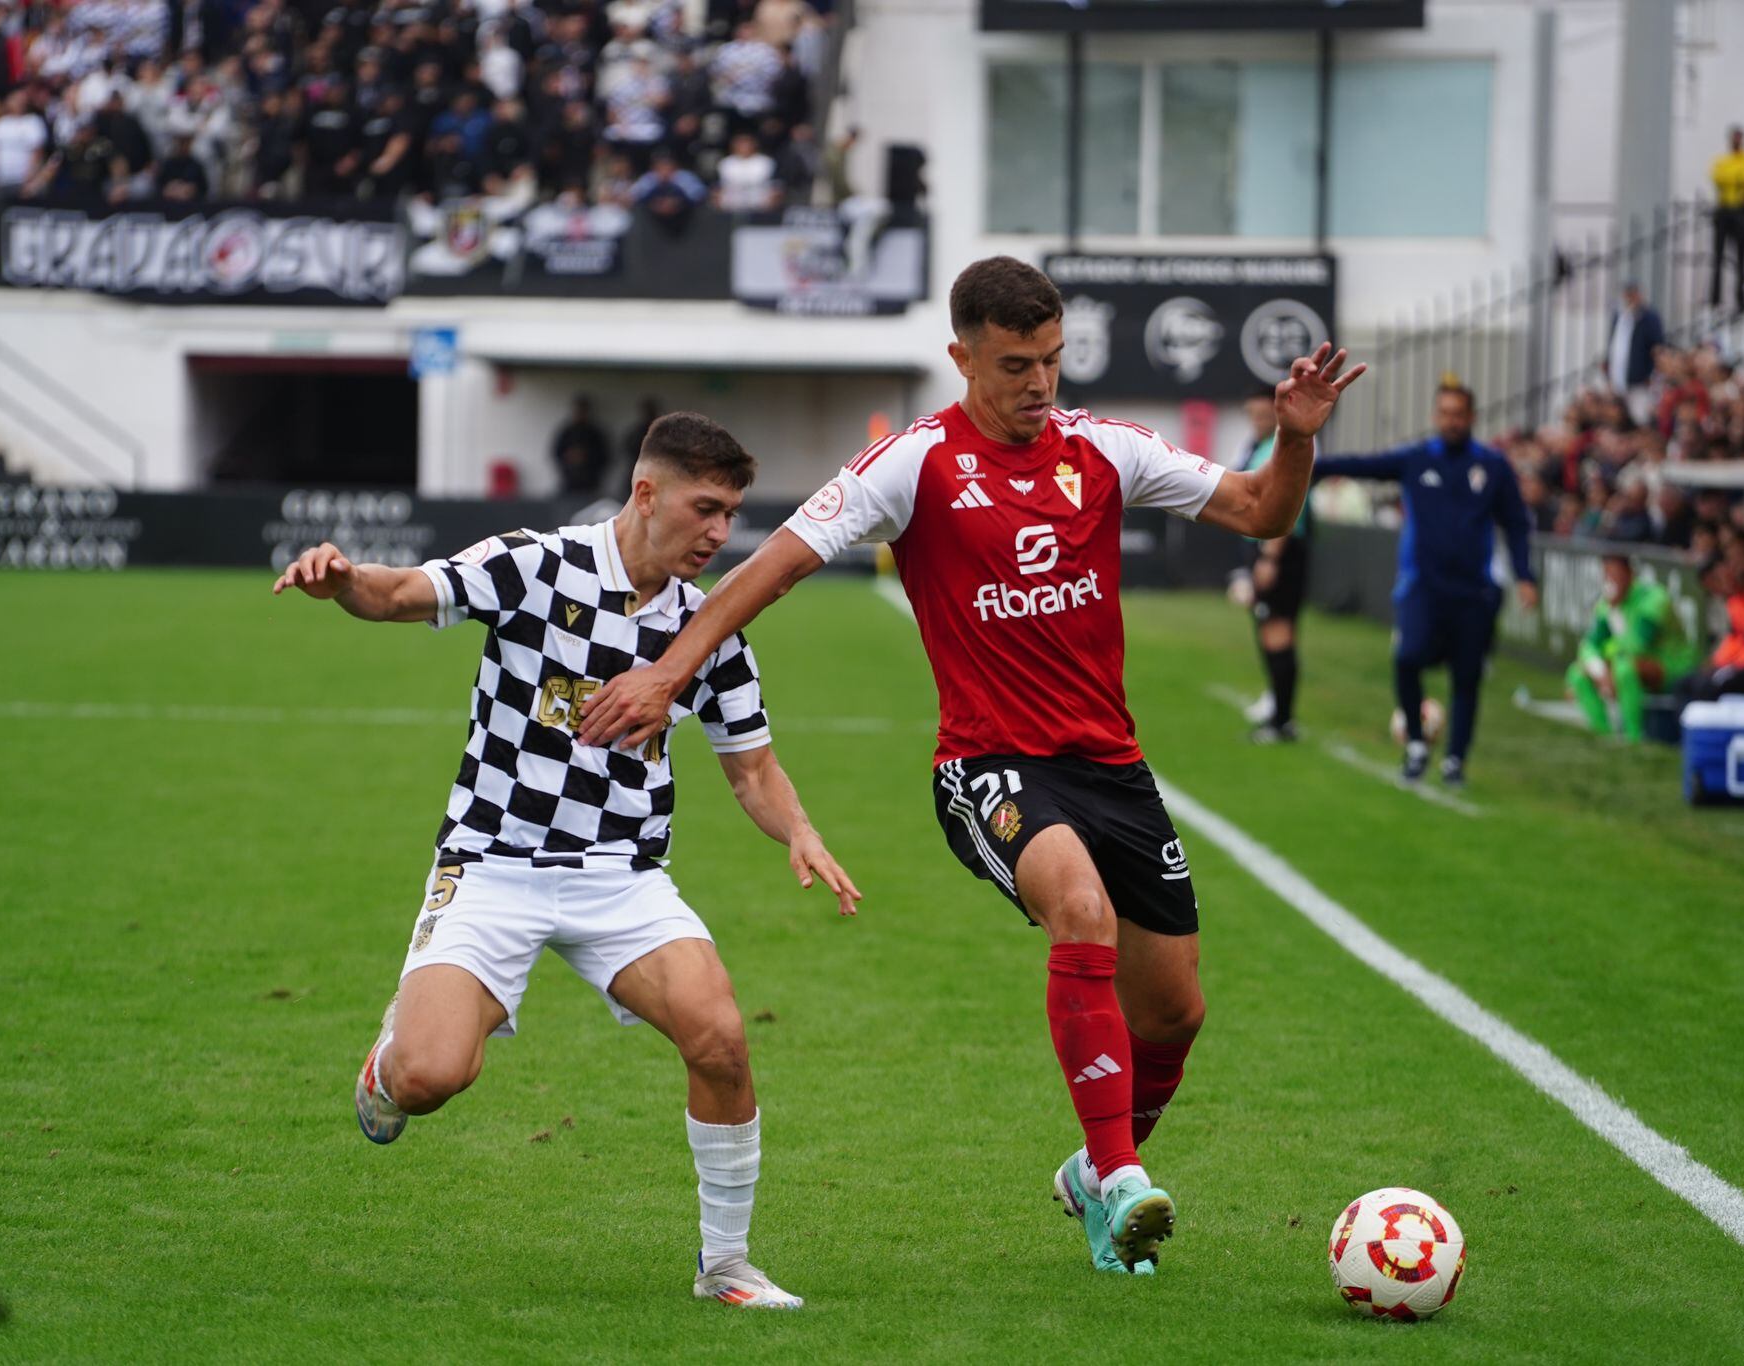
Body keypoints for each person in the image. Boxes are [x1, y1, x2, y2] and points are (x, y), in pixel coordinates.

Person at [575, 256, 1365, 1276]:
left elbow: (1262, 509)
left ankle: (1091, 1172)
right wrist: (667, 675)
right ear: (960, 357)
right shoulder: (911, 465)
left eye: (1050, 359)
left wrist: (1294, 437)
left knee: (1174, 1009)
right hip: (987, 765)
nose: (1037, 383)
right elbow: (762, 573)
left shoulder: (1106, 449)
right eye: (1012, 364)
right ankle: (1120, 1179)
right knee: (1075, 906)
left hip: (1110, 766)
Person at [269, 412, 860, 1309]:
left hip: (621, 878)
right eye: (705, 508)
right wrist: (342, 578)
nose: (719, 533)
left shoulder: (709, 631)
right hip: (493, 861)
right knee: (429, 1079)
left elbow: (754, 771)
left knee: (722, 1038)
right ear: (646, 491)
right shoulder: (533, 564)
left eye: (732, 514)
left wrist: (801, 830)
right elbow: (398, 594)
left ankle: (725, 1266)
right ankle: (387, 1062)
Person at [1315, 384, 1538, 788]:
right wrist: (1309, 463)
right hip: (1423, 588)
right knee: (1407, 658)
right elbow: (1363, 464)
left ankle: (1455, 760)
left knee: (1467, 677)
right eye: (1445, 413)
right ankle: (1416, 744)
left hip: (1474, 592)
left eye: (1459, 413)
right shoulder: (1415, 459)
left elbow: (1517, 524)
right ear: (1435, 416)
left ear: (1471, 417)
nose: (1451, 420)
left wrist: (1525, 575)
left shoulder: (1492, 466)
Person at [1225, 388, 1312, 742]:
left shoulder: (1280, 449)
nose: (1257, 422)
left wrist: (1269, 558)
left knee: (1277, 632)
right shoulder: (1256, 447)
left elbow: (1284, 508)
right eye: (1253, 415)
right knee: (1268, 631)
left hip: (1279, 552)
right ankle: (1278, 707)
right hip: (1263, 549)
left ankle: (1282, 720)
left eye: (1264, 416)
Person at [1567, 554, 1700, 742]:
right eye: (1607, 575)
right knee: (1577, 673)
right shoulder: (1606, 605)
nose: (1611, 581)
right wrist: (1599, 672)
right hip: (1627, 661)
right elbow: (1589, 645)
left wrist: (1615, 613)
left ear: (1630, 575)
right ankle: (1604, 735)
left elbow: (1639, 645)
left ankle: (1633, 738)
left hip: (1672, 666)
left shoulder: (1654, 598)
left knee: (1624, 669)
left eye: (1616, 575)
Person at [1678, 553, 1744, 704]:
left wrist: (1733, 665)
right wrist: (1717, 662)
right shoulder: (1733, 602)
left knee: (1707, 689)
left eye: (1717, 578)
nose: (1716, 585)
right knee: (1685, 684)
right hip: (1736, 665)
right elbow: (1734, 641)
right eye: (1709, 583)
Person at [1709, 126, 1744, 311]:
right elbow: (1718, 178)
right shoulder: (1722, 161)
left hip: (1741, 209)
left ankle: (1740, 297)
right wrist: (1738, 181)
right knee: (1717, 256)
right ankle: (1714, 298)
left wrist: (1738, 182)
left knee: (1741, 258)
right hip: (1724, 208)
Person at [1605, 282, 1665, 424]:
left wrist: (1650, 374)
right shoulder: (1619, 316)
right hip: (1618, 381)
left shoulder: (1649, 317)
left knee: (1640, 418)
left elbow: (1657, 347)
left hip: (1640, 381)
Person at [551, 394, 611, 498]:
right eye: (578, 410)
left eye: (583, 411)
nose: (580, 414)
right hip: (569, 481)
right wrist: (570, 457)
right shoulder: (567, 432)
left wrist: (586, 456)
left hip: (590, 482)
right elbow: (556, 453)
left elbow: (604, 455)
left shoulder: (595, 432)